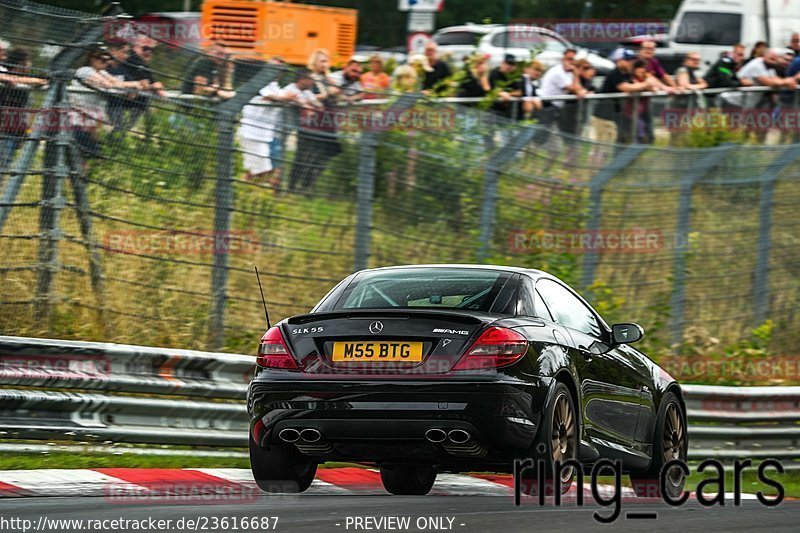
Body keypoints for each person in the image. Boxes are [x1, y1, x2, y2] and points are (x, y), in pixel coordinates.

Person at [288, 50, 342, 192]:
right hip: (310, 122)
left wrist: (335, 90)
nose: (325, 64)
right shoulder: (309, 79)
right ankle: (292, 187)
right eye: (322, 61)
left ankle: (307, 186)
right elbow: (305, 97)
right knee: (303, 156)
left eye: (326, 61)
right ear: (315, 62)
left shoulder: (329, 80)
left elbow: (335, 99)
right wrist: (326, 94)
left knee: (323, 156)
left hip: (327, 123)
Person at [0, 48, 47, 171]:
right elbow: (10, 79)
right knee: (3, 163)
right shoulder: (4, 72)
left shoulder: (26, 80)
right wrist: (37, 80)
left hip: (17, 130)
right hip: (4, 129)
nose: (30, 64)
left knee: (6, 164)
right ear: (22, 63)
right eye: (28, 61)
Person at [106, 36, 165, 131]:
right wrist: (136, 85)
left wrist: (137, 86)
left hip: (120, 105)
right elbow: (111, 82)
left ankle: (129, 128)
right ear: (112, 51)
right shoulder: (105, 67)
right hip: (106, 105)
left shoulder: (123, 68)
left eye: (151, 50)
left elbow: (136, 86)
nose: (127, 56)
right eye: (145, 48)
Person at [538, 49, 587, 129]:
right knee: (543, 136)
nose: (571, 62)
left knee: (554, 137)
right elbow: (575, 89)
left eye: (573, 60)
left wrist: (581, 90)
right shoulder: (558, 72)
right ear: (563, 59)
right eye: (569, 59)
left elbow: (578, 89)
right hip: (548, 106)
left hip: (556, 108)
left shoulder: (569, 72)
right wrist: (576, 74)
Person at [489, 54, 521, 118]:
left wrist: (508, 94)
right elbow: (490, 89)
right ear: (502, 63)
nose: (509, 66)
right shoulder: (494, 73)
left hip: (509, 111)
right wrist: (499, 93)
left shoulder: (515, 76)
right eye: (508, 63)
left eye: (512, 64)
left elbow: (519, 91)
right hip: (493, 110)